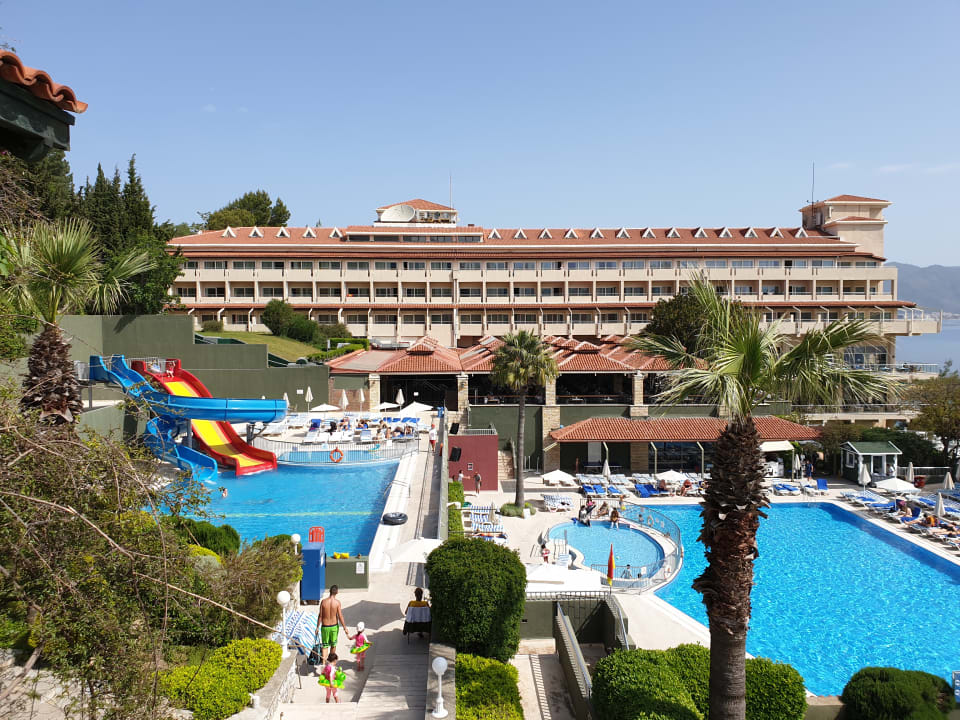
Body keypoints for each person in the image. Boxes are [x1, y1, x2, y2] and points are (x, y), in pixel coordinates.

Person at [318, 585, 348, 663]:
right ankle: (331, 663)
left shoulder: (323, 602)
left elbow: (320, 615)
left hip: (325, 626)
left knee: (325, 646)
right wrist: (345, 627)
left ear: (330, 591)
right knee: (333, 645)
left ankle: (324, 664)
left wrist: (317, 627)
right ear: (337, 592)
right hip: (334, 627)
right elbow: (340, 616)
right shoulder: (337, 603)